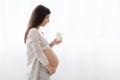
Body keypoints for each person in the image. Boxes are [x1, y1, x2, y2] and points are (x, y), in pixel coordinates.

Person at [24, 5, 62, 80]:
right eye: (47, 17)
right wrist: (50, 68)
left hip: (42, 69)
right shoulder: (33, 32)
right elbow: (38, 52)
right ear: (40, 17)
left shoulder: (39, 31)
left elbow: (44, 50)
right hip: (38, 70)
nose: (48, 21)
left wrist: (53, 43)